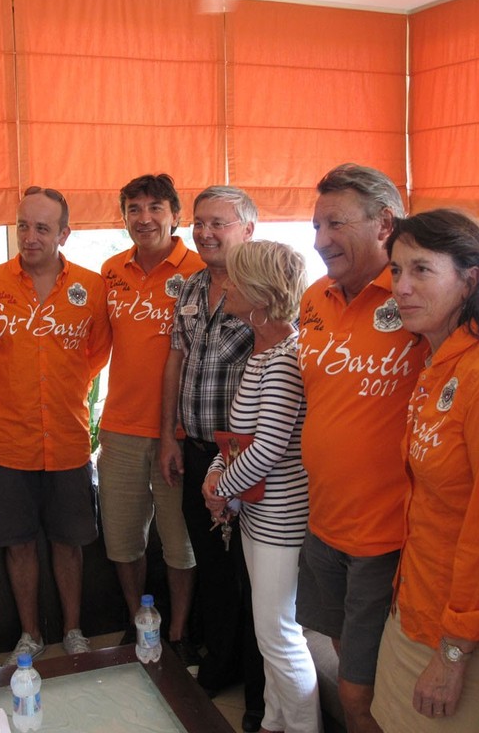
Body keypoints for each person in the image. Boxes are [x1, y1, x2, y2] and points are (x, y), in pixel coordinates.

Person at [370, 210, 479, 732]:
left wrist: (453, 652)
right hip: (414, 602)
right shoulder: (436, 360)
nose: (402, 288)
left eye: (421, 270)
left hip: (460, 635)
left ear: (470, 278)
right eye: (395, 271)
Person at [295, 164, 423, 733]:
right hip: (322, 522)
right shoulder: (314, 298)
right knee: (349, 668)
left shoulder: (418, 299)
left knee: (359, 697)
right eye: (316, 225)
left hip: (385, 534)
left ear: (384, 224)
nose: (320, 241)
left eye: (335, 224)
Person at [0, 186, 112, 665]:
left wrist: (57, 386)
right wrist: (16, 388)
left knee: (70, 544)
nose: (29, 237)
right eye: (23, 226)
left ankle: (72, 631)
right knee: (19, 545)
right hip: (5, 442)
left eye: (42, 228)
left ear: (64, 234)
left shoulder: (92, 288)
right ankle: (30, 634)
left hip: (68, 441)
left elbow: (94, 356)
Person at [159, 186, 265, 730]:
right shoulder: (192, 286)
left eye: (218, 223)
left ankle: (259, 690)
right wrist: (169, 437)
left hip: (250, 464)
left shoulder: (266, 286)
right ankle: (220, 665)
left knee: (254, 577)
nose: (204, 233)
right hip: (198, 453)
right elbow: (176, 361)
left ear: (248, 227)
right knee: (217, 573)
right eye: (199, 223)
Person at [201, 240, 318, 733]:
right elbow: (239, 438)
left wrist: (219, 490)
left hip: (281, 516)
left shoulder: (287, 356)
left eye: (236, 279)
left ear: (262, 293)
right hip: (258, 514)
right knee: (269, 631)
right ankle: (273, 722)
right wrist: (216, 474)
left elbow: (268, 450)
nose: (226, 286)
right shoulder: (263, 351)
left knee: (279, 635)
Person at [98, 174, 204, 658]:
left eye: (155, 208)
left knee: (180, 543)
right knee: (122, 540)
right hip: (119, 429)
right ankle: (139, 621)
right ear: (123, 218)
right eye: (134, 209)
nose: (144, 219)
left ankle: (179, 632)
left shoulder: (201, 271)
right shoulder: (110, 270)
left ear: (175, 215)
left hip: (178, 433)